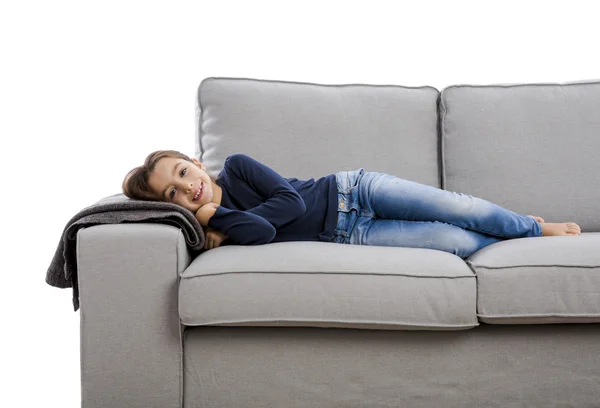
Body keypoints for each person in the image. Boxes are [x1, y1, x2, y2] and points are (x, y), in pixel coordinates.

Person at [122, 150, 581, 257]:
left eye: (183, 174)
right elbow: (264, 230)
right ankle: (507, 231)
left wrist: (227, 220)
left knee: (458, 208)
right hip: (349, 232)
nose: (187, 190)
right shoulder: (215, 222)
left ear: (196, 162)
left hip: (353, 190)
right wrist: (213, 217)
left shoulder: (238, 167)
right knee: (455, 242)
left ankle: (529, 227)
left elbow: (290, 203)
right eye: (173, 196)